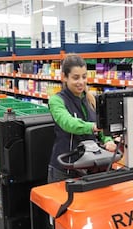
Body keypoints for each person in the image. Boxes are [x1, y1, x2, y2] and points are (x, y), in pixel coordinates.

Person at [47, 54, 117, 183]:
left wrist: (108, 140)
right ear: (64, 77)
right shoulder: (56, 100)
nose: (81, 82)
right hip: (65, 169)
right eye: (75, 77)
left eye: (84, 77)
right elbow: (68, 123)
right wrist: (92, 127)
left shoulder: (91, 99)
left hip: (90, 167)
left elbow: (101, 127)